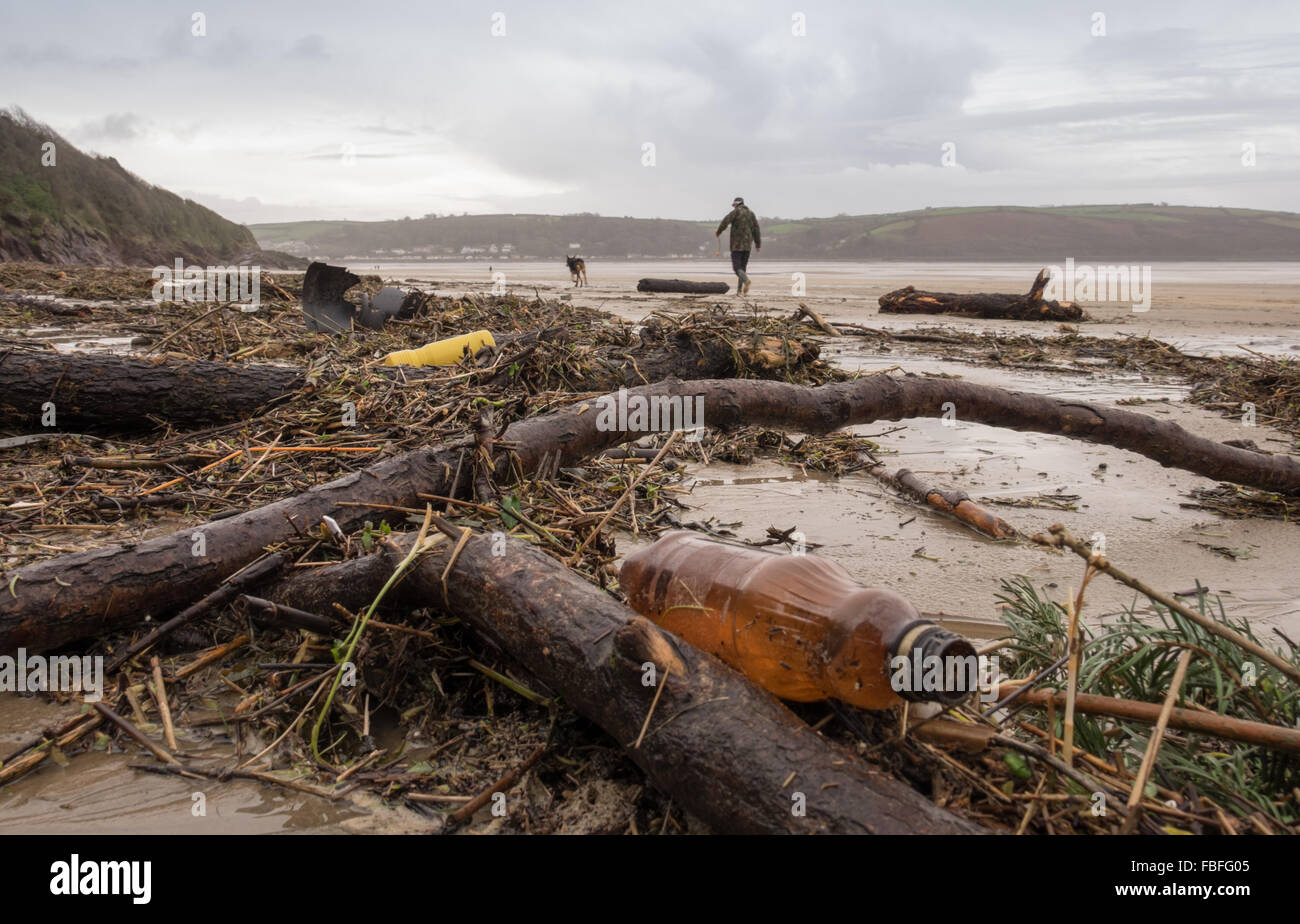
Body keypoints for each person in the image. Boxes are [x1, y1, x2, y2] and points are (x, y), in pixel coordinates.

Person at [715, 197, 761, 295]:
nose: (734, 207)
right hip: (748, 245)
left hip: (736, 245)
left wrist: (719, 231)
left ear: (737, 204)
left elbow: (725, 221)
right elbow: (756, 229)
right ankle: (740, 291)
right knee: (743, 268)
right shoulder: (751, 214)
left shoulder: (736, 212)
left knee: (736, 268)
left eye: (734, 205)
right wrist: (758, 244)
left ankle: (746, 281)